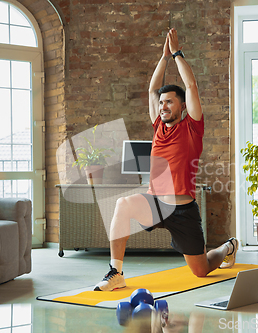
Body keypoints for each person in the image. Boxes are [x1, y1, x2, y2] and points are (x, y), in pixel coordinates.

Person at [94, 29, 238, 291]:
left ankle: (229, 247)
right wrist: (163, 59)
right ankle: (116, 272)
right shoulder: (158, 126)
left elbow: (192, 86)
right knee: (122, 204)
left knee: (201, 271)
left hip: (183, 211)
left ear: (182, 106)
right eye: (161, 103)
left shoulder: (193, 128)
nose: (163, 106)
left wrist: (177, 54)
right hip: (156, 204)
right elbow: (151, 90)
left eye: (169, 102)